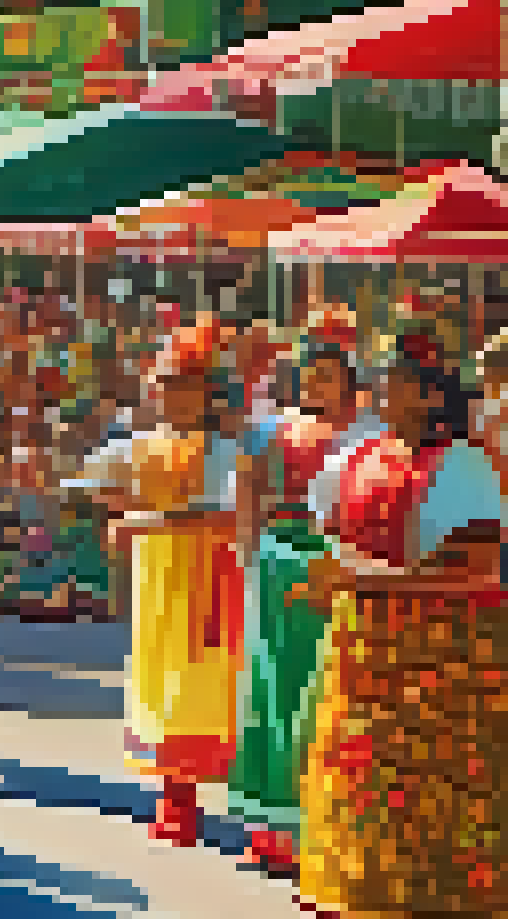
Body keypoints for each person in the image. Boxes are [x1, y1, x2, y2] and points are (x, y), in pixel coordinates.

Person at [293, 346, 508, 915]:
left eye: (399, 382)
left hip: (443, 664)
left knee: (436, 800)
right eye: (383, 380)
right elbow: (328, 529)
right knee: (363, 792)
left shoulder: (463, 465)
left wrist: (364, 579)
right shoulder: (362, 454)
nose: (384, 391)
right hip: (364, 655)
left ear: (433, 395)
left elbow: (474, 570)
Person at [68, 322, 245, 848]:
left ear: (210, 393)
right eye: (167, 384)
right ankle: (174, 796)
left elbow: (225, 517)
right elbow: (87, 485)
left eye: (187, 385)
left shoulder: (228, 449)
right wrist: (110, 501)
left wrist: (140, 519)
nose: (175, 395)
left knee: (201, 685)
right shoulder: (139, 444)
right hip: (157, 578)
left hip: (210, 576)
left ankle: (187, 801)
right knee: (159, 684)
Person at [226, 317, 378, 877]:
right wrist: (248, 556)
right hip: (278, 561)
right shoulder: (269, 431)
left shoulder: (371, 434)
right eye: (310, 375)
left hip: (341, 563)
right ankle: (272, 827)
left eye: (328, 375)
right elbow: (247, 492)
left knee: (331, 689)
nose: (317, 385)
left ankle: (327, 821)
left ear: (348, 379)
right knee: (273, 687)